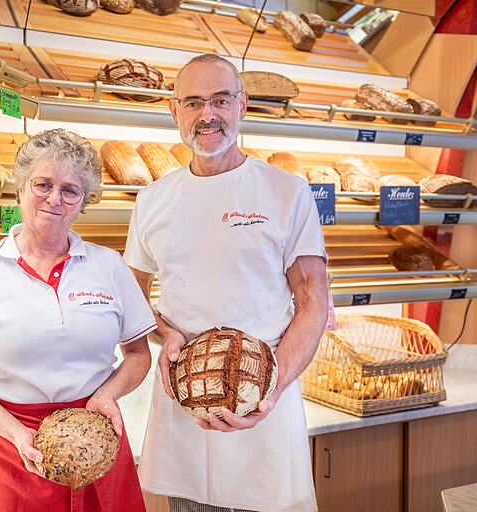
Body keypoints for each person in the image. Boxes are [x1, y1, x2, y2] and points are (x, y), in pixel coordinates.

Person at [125, 54, 329, 512]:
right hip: (185, 405)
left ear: (242, 105)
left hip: (265, 406)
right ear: (174, 111)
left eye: (220, 100)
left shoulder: (286, 192)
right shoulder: (152, 200)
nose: (207, 115)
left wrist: (272, 387)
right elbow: (130, 297)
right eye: (193, 102)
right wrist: (167, 334)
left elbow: (314, 302)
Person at [0, 128, 155, 512]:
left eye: (71, 190)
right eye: (43, 184)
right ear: (20, 187)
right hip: (10, 444)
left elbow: (138, 354)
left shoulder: (109, 266)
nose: (54, 198)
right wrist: (16, 434)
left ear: (83, 201)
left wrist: (106, 395)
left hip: (97, 438)